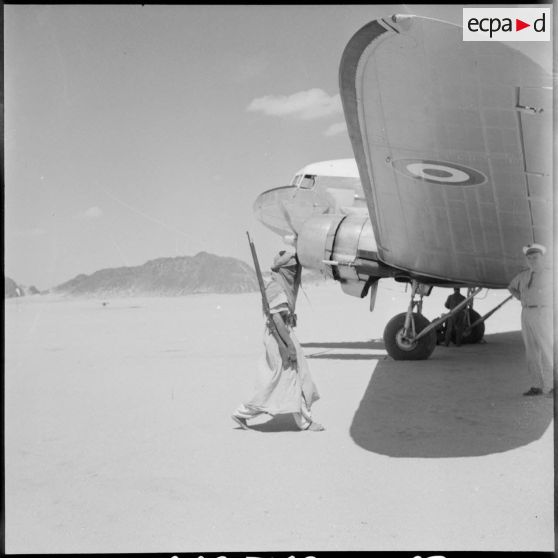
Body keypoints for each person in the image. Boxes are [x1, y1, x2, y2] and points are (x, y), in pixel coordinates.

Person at [232, 250, 324, 431]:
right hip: (278, 339)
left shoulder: (281, 285)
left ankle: (243, 412)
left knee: (295, 377)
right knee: (287, 378)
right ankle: (244, 412)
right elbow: (276, 319)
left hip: (285, 335)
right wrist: (288, 346)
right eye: (290, 269)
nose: (293, 273)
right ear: (282, 270)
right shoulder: (275, 287)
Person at [508, 243, 553, 396]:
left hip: (544, 312)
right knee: (532, 352)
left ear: (542, 259)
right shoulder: (523, 275)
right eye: (530, 258)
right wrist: (519, 297)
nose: (533, 261)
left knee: (550, 349)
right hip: (526, 313)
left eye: (535, 257)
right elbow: (511, 287)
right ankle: (537, 386)